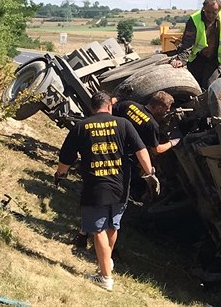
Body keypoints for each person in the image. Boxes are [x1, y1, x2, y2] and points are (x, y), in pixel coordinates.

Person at [54, 91, 158, 291]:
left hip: (96, 184)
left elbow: (66, 157)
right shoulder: (123, 124)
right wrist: (150, 173)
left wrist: (61, 174)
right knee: (112, 226)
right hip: (121, 184)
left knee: (98, 229)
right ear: (109, 106)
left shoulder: (81, 126)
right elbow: (141, 150)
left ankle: (105, 277)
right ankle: (106, 262)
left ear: (92, 108)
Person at [112, 90, 180, 203]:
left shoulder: (129, 105)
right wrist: (173, 142)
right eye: (167, 107)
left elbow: (109, 111)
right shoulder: (152, 125)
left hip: (110, 144)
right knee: (133, 181)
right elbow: (157, 150)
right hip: (126, 156)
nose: (168, 110)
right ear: (158, 107)